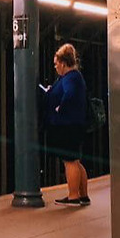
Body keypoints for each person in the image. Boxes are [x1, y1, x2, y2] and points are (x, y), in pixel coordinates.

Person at [44, 43, 90, 206]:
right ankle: (83, 195)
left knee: (69, 161)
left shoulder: (70, 78)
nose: (55, 67)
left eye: (56, 63)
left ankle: (73, 196)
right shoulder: (74, 77)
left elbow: (69, 95)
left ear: (63, 63)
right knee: (76, 161)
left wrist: (59, 108)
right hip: (75, 124)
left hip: (67, 125)